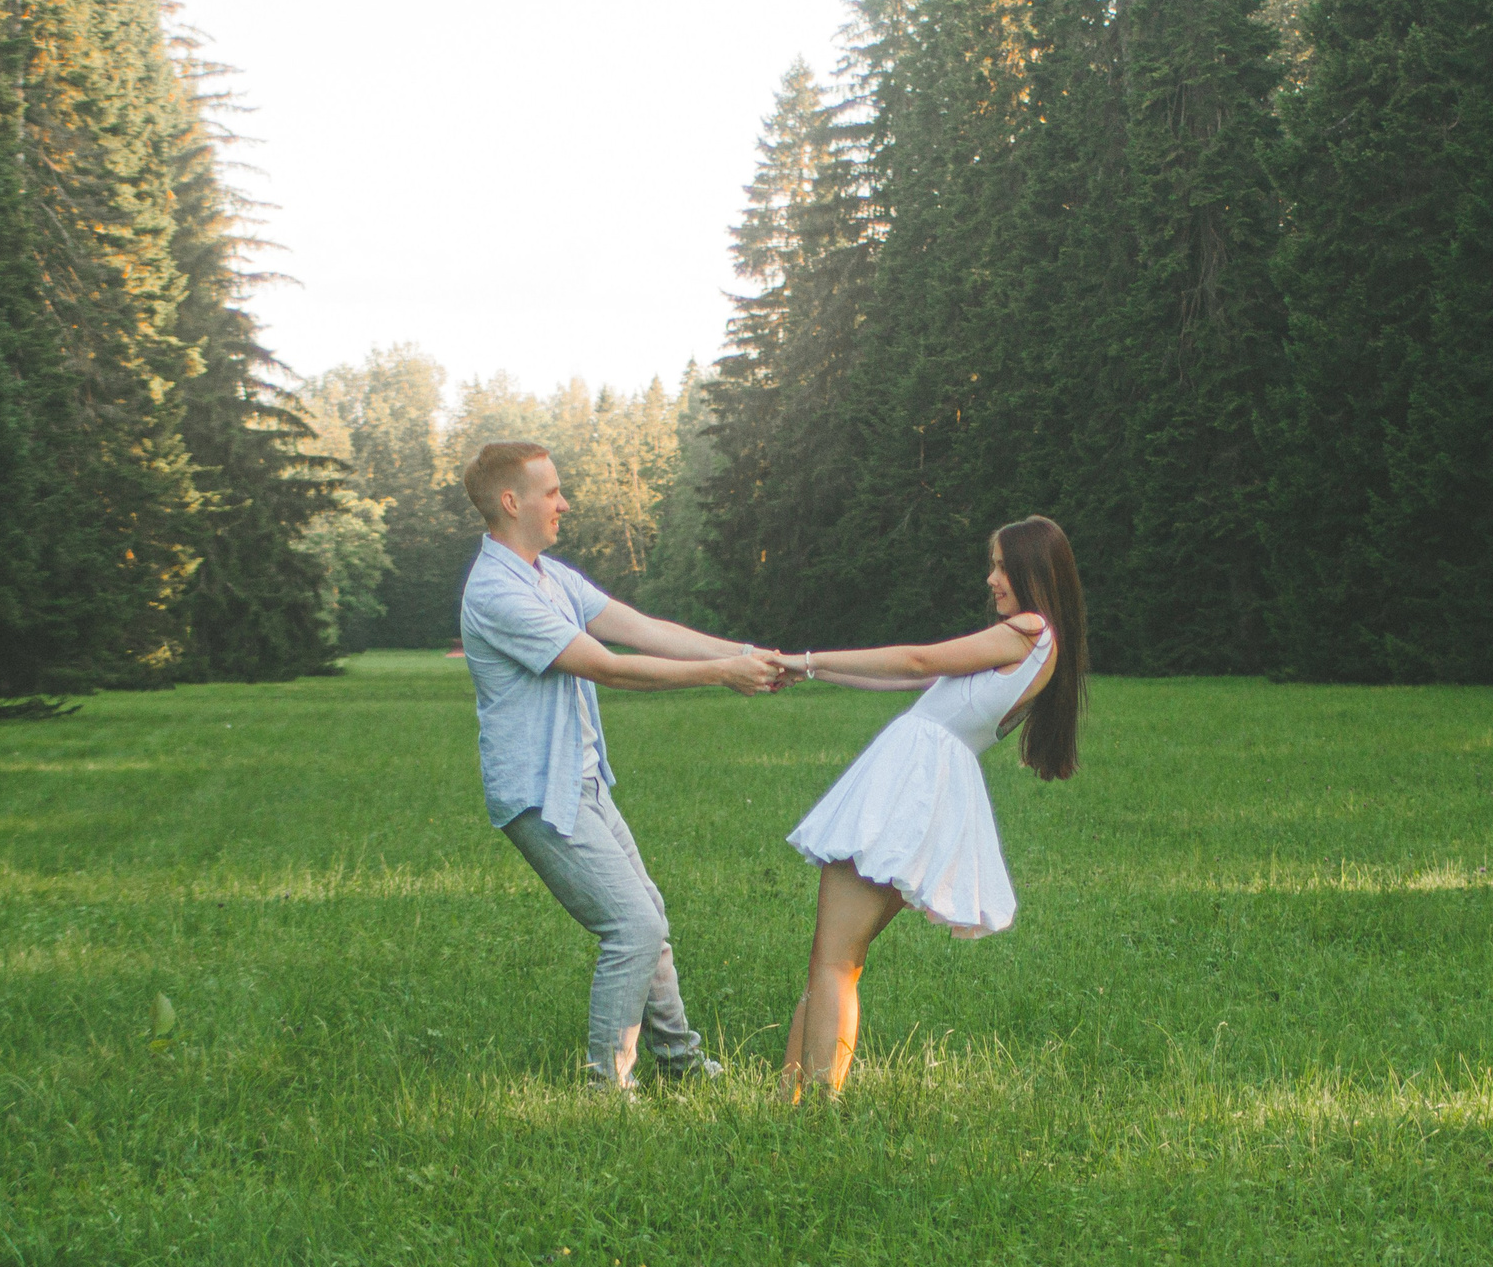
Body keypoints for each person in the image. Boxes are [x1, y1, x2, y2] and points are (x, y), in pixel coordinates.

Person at [456, 440, 788, 1095]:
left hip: (580, 781)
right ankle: (606, 1088)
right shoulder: (496, 591)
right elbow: (609, 666)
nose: (564, 503)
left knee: (648, 917)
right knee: (632, 925)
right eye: (552, 491)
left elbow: (641, 628)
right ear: (511, 502)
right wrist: (723, 673)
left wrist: (746, 653)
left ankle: (680, 1062)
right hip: (539, 794)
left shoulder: (551, 577)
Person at [774, 515, 1087, 1099]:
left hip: (910, 785)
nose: (991, 579)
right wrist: (812, 670)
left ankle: (814, 1112)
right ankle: (787, 1101)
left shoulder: (1028, 630)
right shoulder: (1041, 646)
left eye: (1002, 566)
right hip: (926, 789)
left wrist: (808, 659)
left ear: (1032, 571)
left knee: (833, 961)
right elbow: (905, 682)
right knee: (840, 960)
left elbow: (918, 660)